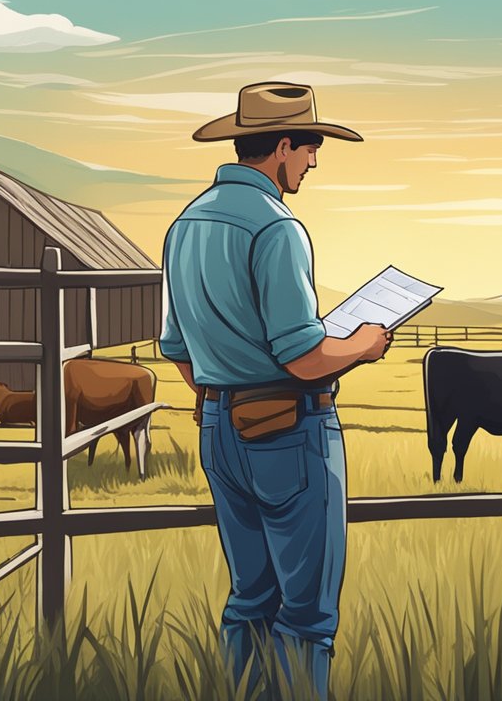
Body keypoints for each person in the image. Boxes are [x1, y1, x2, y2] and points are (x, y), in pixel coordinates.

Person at [159, 81, 392, 698]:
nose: (314, 162)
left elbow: (178, 349)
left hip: (218, 428)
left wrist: (222, 395)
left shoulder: (186, 223)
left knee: (248, 599)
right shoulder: (277, 228)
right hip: (289, 434)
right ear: (283, 146)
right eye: (311, 147)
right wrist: (364, 345)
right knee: (307, 615)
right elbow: (307, 356)